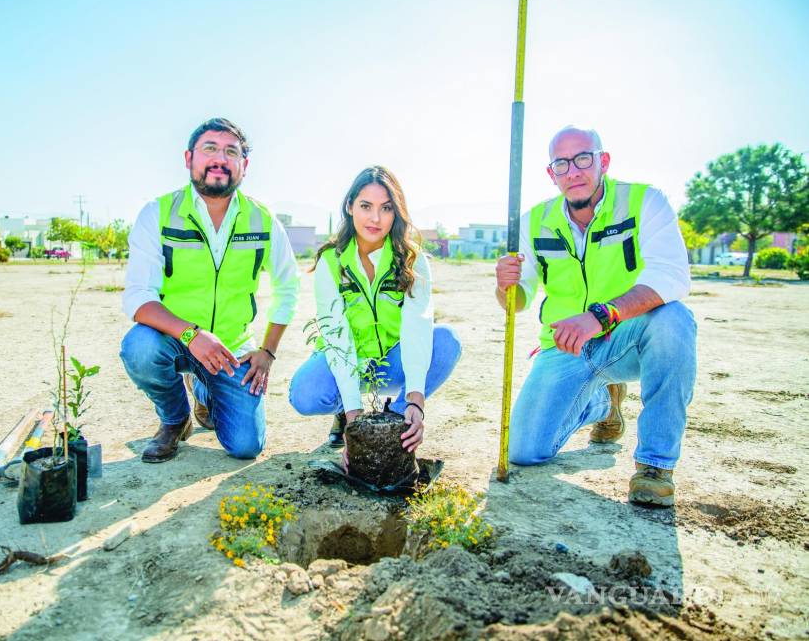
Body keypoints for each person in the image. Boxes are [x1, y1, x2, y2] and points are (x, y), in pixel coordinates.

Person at [495, 126, 696, 507]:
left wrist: (599, 317)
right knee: (523, 450)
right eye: (561, 163)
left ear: (603, 161)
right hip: (565, 347)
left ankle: (655, 466)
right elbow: (517, 301)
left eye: (583, 159)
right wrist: (505, 285)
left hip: (628, 336)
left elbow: (671, 276)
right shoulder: (533, 221)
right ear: (551, 173)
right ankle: (603, 403)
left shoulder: (644, 202)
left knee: (675, 321)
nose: (573, 171)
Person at [120, 118, 299, 463]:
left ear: (243, 166)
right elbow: (138, 297)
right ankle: (174, 419)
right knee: (138, 348)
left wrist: (268, 352)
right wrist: (193, 334)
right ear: (189, 159)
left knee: (246, 446)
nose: (220, 158)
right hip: (172, 338)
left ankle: (204, 390)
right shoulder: (157, 214)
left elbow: (288, 287)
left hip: (232, 348)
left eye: (231, 152)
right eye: (210, 149)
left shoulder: (263, 220)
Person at [289, 166, 462, 461]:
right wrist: (355, 423)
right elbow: (336, 336)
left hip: (392, 363)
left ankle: (394, 423)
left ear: (397, 213)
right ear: (350, 206)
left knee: (447, 342)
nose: (375, 218)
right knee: (304, 393)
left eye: (386, 208)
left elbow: (416, 327)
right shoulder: (331, 261)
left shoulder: (412, 260)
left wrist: (415, 403)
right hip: (349, 362)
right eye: (365, 206)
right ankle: (346, 410)